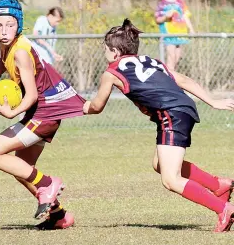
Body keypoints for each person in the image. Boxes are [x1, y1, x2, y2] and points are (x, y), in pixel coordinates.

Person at [83, 18, 234, 232]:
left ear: (115, 52)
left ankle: (223, 209)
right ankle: (218, 185)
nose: (105, 54)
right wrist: (212, 101)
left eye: (106, 49)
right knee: (160, 164)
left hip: (170, 114)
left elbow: (97, 106)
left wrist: (81, 107)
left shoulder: (112, 72)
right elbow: (183, 81)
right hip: (184, 108)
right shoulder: (151, 61)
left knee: (171, 179)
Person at [0, 0, 85, 229]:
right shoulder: (8, 44)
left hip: (42, 114)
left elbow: (31, 96)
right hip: (41, 114)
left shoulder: (21, 51)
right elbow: (2, 63)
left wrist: (11, 112)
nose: (4, 31)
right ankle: (60, 216)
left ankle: (49, 183)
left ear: (19, 24)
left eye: (9, 25)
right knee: (21, 169)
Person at [155, 0, 195, 71]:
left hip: (180, 34)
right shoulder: (162, 4)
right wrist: (166, 17)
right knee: (171, 58)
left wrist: (191, 29)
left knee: (177, 59)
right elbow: (157, 20)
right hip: (168, 35)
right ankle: (169, 81)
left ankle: (171, 76)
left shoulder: (180, 2)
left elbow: (185, 16)